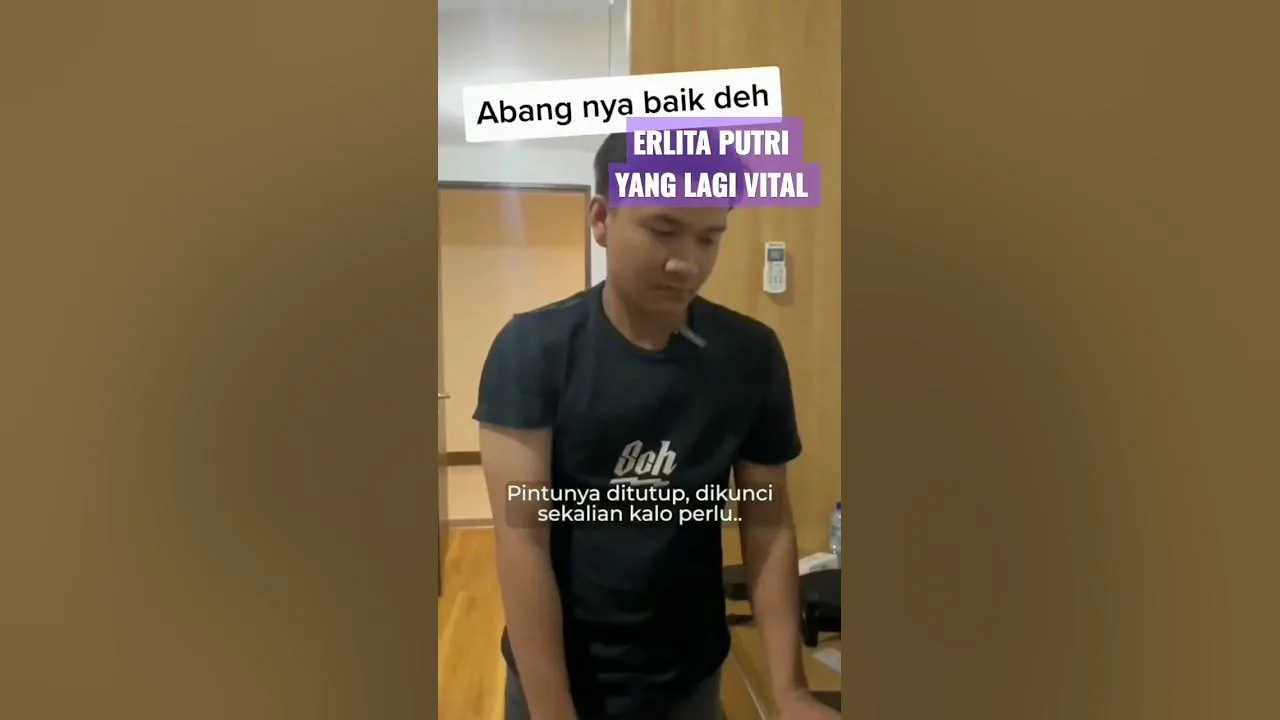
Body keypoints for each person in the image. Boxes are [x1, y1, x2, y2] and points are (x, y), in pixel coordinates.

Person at [473, 132, 838, 720]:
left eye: (708, 238)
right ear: (602, 218)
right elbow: (523, 540)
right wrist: (553, 711)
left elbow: (767, 524)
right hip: (559, 678)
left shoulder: (750, 355)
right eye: (663, 230)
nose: (686, 263)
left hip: (689, 673)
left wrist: (790, 691)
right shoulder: (533, 349)